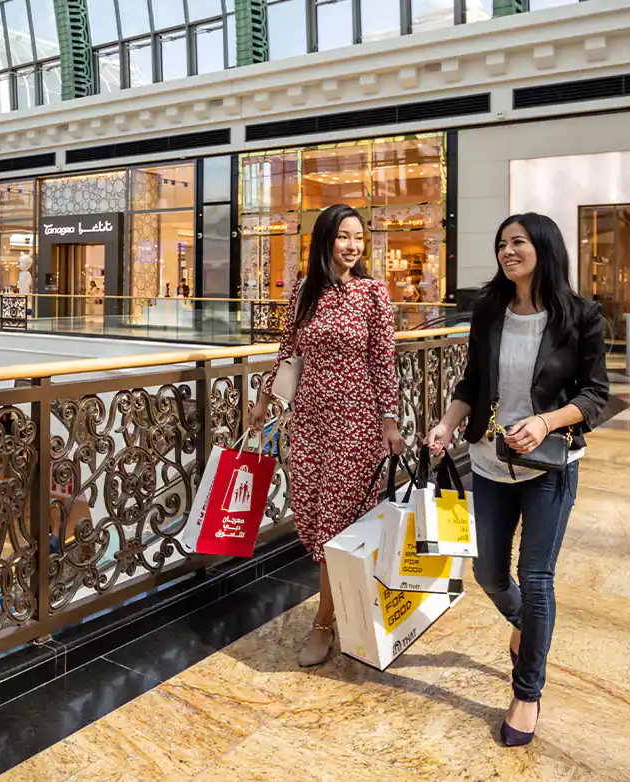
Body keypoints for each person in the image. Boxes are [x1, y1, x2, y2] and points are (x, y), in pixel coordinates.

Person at [425, 212, 610, 748]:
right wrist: (446, 424)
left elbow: (595, 395)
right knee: (486, 572)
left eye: (519, 243)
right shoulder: (488, 311)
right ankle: (530, 628)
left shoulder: (580, 316)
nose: (508, 252)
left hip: (550, 466)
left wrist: (546, 421)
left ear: (544, 248)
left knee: (536, 578)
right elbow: (472, 381)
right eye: (502, 243)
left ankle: (527, 692)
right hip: (487, 462)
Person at [245, 203, 403, 668]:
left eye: (359, 238)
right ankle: (351, 610)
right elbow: (288, 352)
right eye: (343, 237)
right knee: (314, 519)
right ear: (325, 241)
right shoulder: (304, 292)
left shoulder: (374, 294)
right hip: (309, 423)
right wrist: (262, 403)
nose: (353, 246)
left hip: (355, 424)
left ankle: (323, 626)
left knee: (336, 526)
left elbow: (383, 362)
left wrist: (389, 421)